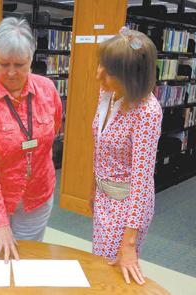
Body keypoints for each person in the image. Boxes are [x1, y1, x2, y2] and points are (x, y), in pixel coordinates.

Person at [0, 17, 62, 262]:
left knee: (26, 262)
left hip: (35, 195)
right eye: (3, 63)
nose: (11, 72)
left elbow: (54, 129)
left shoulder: (48, 90)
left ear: (31, 58)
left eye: (20, 64)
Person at [91, 27, 162, 285]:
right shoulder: (108, 92)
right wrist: (93, 189)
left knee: (112, 275)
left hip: (126, 207)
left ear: (131, 77)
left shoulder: (147, 112)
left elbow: (142, 182)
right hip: (103, 197)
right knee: (99, 264)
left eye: (108, 71)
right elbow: (100, 147)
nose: (99, 74)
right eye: (101, 65)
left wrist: (129, 242)